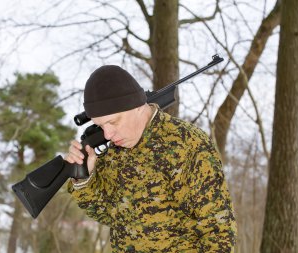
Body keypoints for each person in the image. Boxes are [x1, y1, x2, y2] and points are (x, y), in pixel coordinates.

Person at [65, 65, 237, 252]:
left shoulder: (187, 144)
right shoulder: (114, 151)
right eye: (101, 126)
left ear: (137, 106)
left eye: (113, 122)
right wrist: (84, 178)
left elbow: (218, 232)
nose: (108, 134)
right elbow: (106, 214)